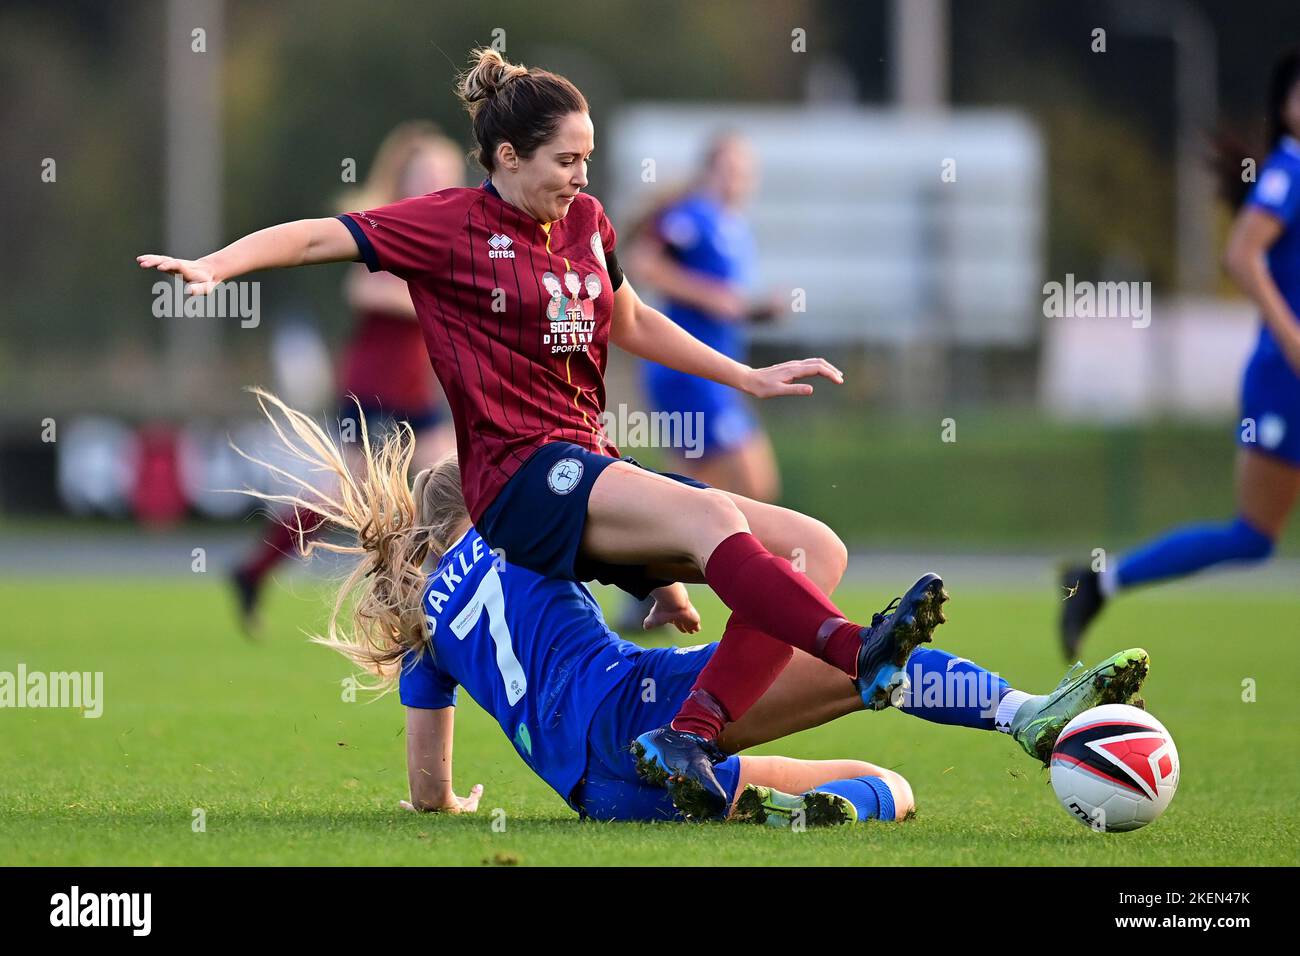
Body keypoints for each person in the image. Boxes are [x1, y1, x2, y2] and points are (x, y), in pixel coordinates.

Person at [137, 47, 948, 819]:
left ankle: (689, 737)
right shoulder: (448, 226)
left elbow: (628, 318)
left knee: (815, 550)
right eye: (565, 160)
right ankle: (854, 649)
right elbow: (320, 235)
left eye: (587, 158)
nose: (581, 176)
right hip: (520, 482)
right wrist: (216, 265)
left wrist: (743, 375)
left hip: (592, 462)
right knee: (716, 521)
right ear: (505, 157)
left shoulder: (589, 222)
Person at [237, 389, 1152, 824]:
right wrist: (670, 578)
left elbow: (429, 792)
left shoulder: (431, 634)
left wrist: (449, 804)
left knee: (891, 791)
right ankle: (1025, 714)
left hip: (600, 793)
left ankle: (812, 811)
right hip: (638, 709)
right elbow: (627, 536)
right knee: (869, 660)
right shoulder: (520, 526)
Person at [1060, 49, 1300, 659]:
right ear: (1285, 105)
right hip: (1284, 380)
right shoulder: (1290, 168)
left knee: (1253, 542)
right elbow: (1240, 255)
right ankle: (1099, 582)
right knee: (1252, 535)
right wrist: (1292, 336)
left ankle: (1099, 582)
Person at [230, 121, 462, 632]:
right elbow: (365, 291)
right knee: (345, 496)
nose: (436, 183)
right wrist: (445, 305)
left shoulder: (446, 232)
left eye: (444, 174)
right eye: (426, 174)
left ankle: (441, 596)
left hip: (416, 390)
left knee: (448, 483)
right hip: (373, 390)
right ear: (401, 180)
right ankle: (254, 569)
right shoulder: (389, 226)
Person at [629, 133, 783, 502]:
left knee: (703, 491)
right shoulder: (693, 215)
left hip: (718, 372)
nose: (738, 180)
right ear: (709, 172)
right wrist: (710, 296)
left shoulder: (735, 227)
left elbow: (726, 306)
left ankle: (681, 554)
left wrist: (756, 311)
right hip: (688, 371)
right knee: (748, 482)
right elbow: (643, 263)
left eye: (745, 172)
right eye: (729, 170)